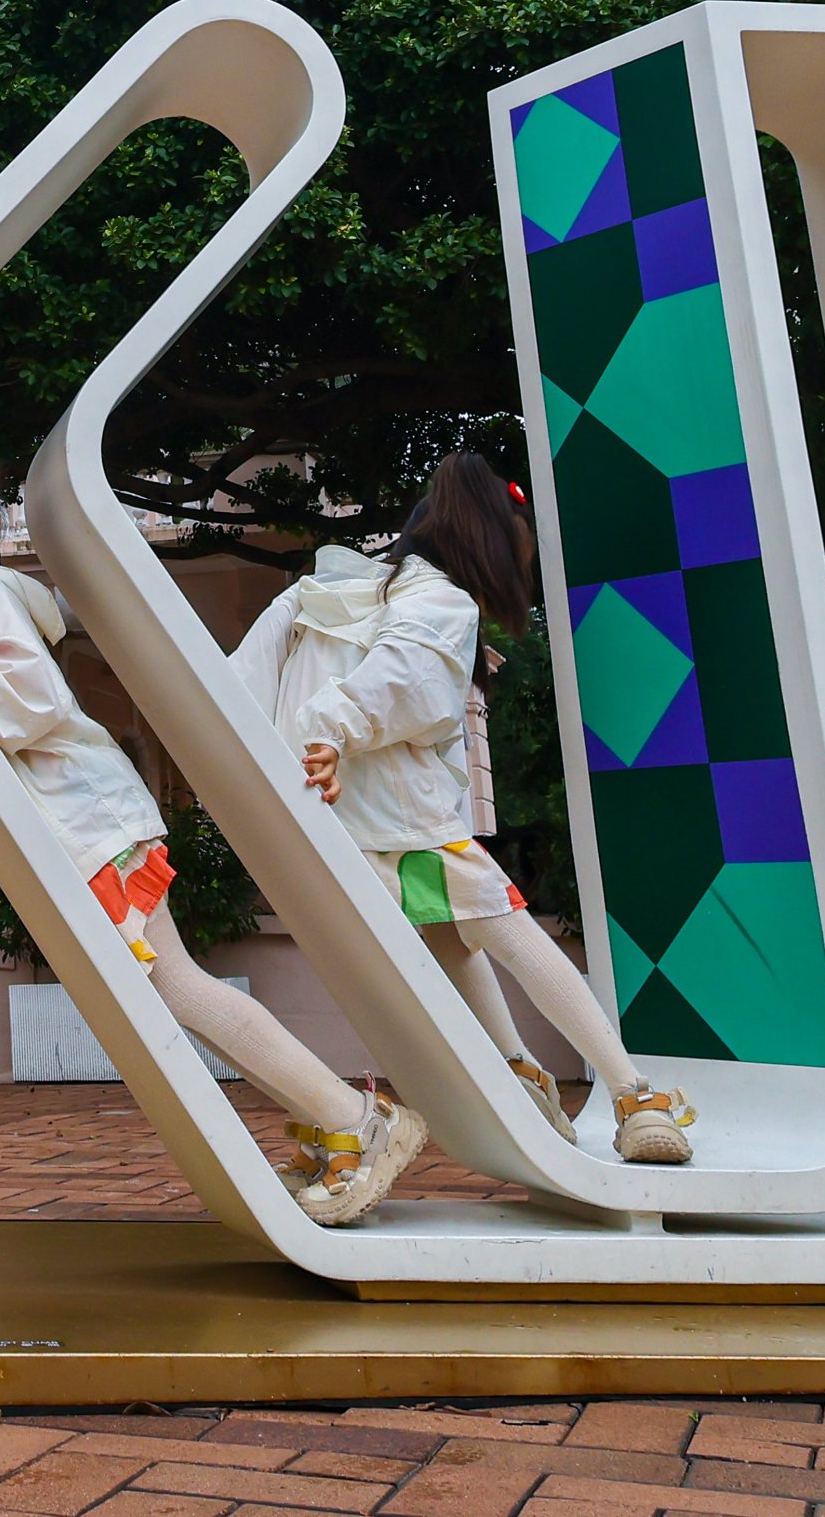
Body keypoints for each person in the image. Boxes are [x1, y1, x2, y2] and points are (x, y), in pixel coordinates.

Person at [0, 439, 427, 1226]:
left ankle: (355, 1119)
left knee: (177, 985)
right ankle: (337, 1121)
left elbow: (26, 708)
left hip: (94, 823)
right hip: (94, 819)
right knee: (176, 989)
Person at [234, 447, 697, 1168]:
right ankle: (632, 1092)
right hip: (403, 822)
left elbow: (243, 684)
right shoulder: (441, 601)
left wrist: (285, 758)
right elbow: (402, 677)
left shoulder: (334, 590)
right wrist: (335, 729)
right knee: (509, 933)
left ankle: (521, 1075)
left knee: (452, 946)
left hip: (338, 825)